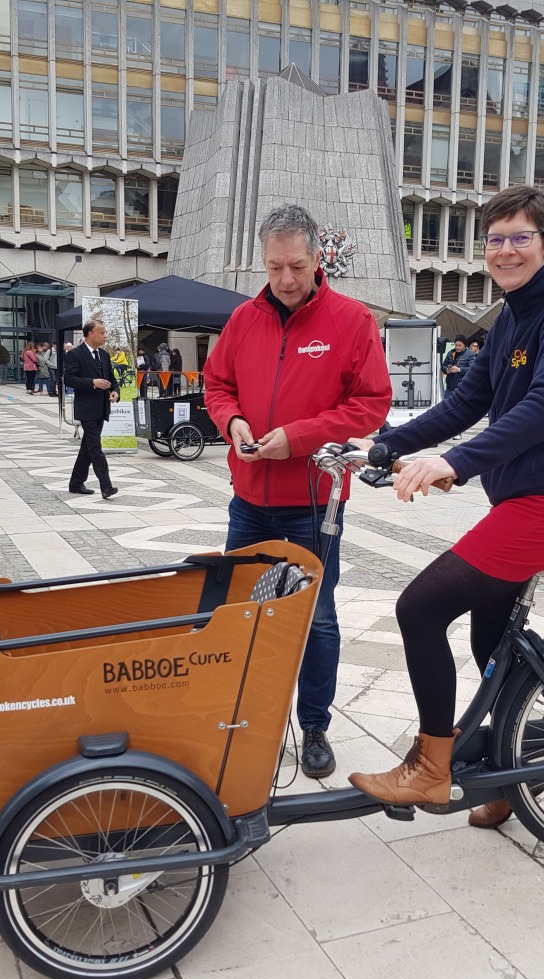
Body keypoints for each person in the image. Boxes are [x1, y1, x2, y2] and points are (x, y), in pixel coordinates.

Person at [338, 186, 544, 824]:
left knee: (420, 607)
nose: (505, 251)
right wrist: (384, 445)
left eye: (520, 238)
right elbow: (467, 401)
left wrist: (455, 462)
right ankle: (509, 778)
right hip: (523, 503)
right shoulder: (510, 315)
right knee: (493, 640)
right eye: (495, 239)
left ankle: (433, 769)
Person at [203, 203, 391, 779]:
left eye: (297, 265)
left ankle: (314, 726)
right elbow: (217, 382)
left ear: (318, 258)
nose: (285, 279)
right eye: (274, 266)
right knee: (238, 613)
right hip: (249, 503)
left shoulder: (351, 320)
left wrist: (300, 438)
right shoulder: (243, 319)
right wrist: (231, 420)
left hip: (314, 504)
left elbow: (371, 403)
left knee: (318, 619)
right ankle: (241, 719)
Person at [66, 319, 121, 499]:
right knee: (95, 447)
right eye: (102, 332)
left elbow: (113, 380)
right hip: (86, 409)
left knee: (87, 448)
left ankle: (76, 483)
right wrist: (92, 383)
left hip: (102, 408)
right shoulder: (76, 354)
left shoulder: (104, 355)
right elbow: (69, 379)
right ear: (90, 334)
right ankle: (106, 486)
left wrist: (115, 392)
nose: (105, 336)